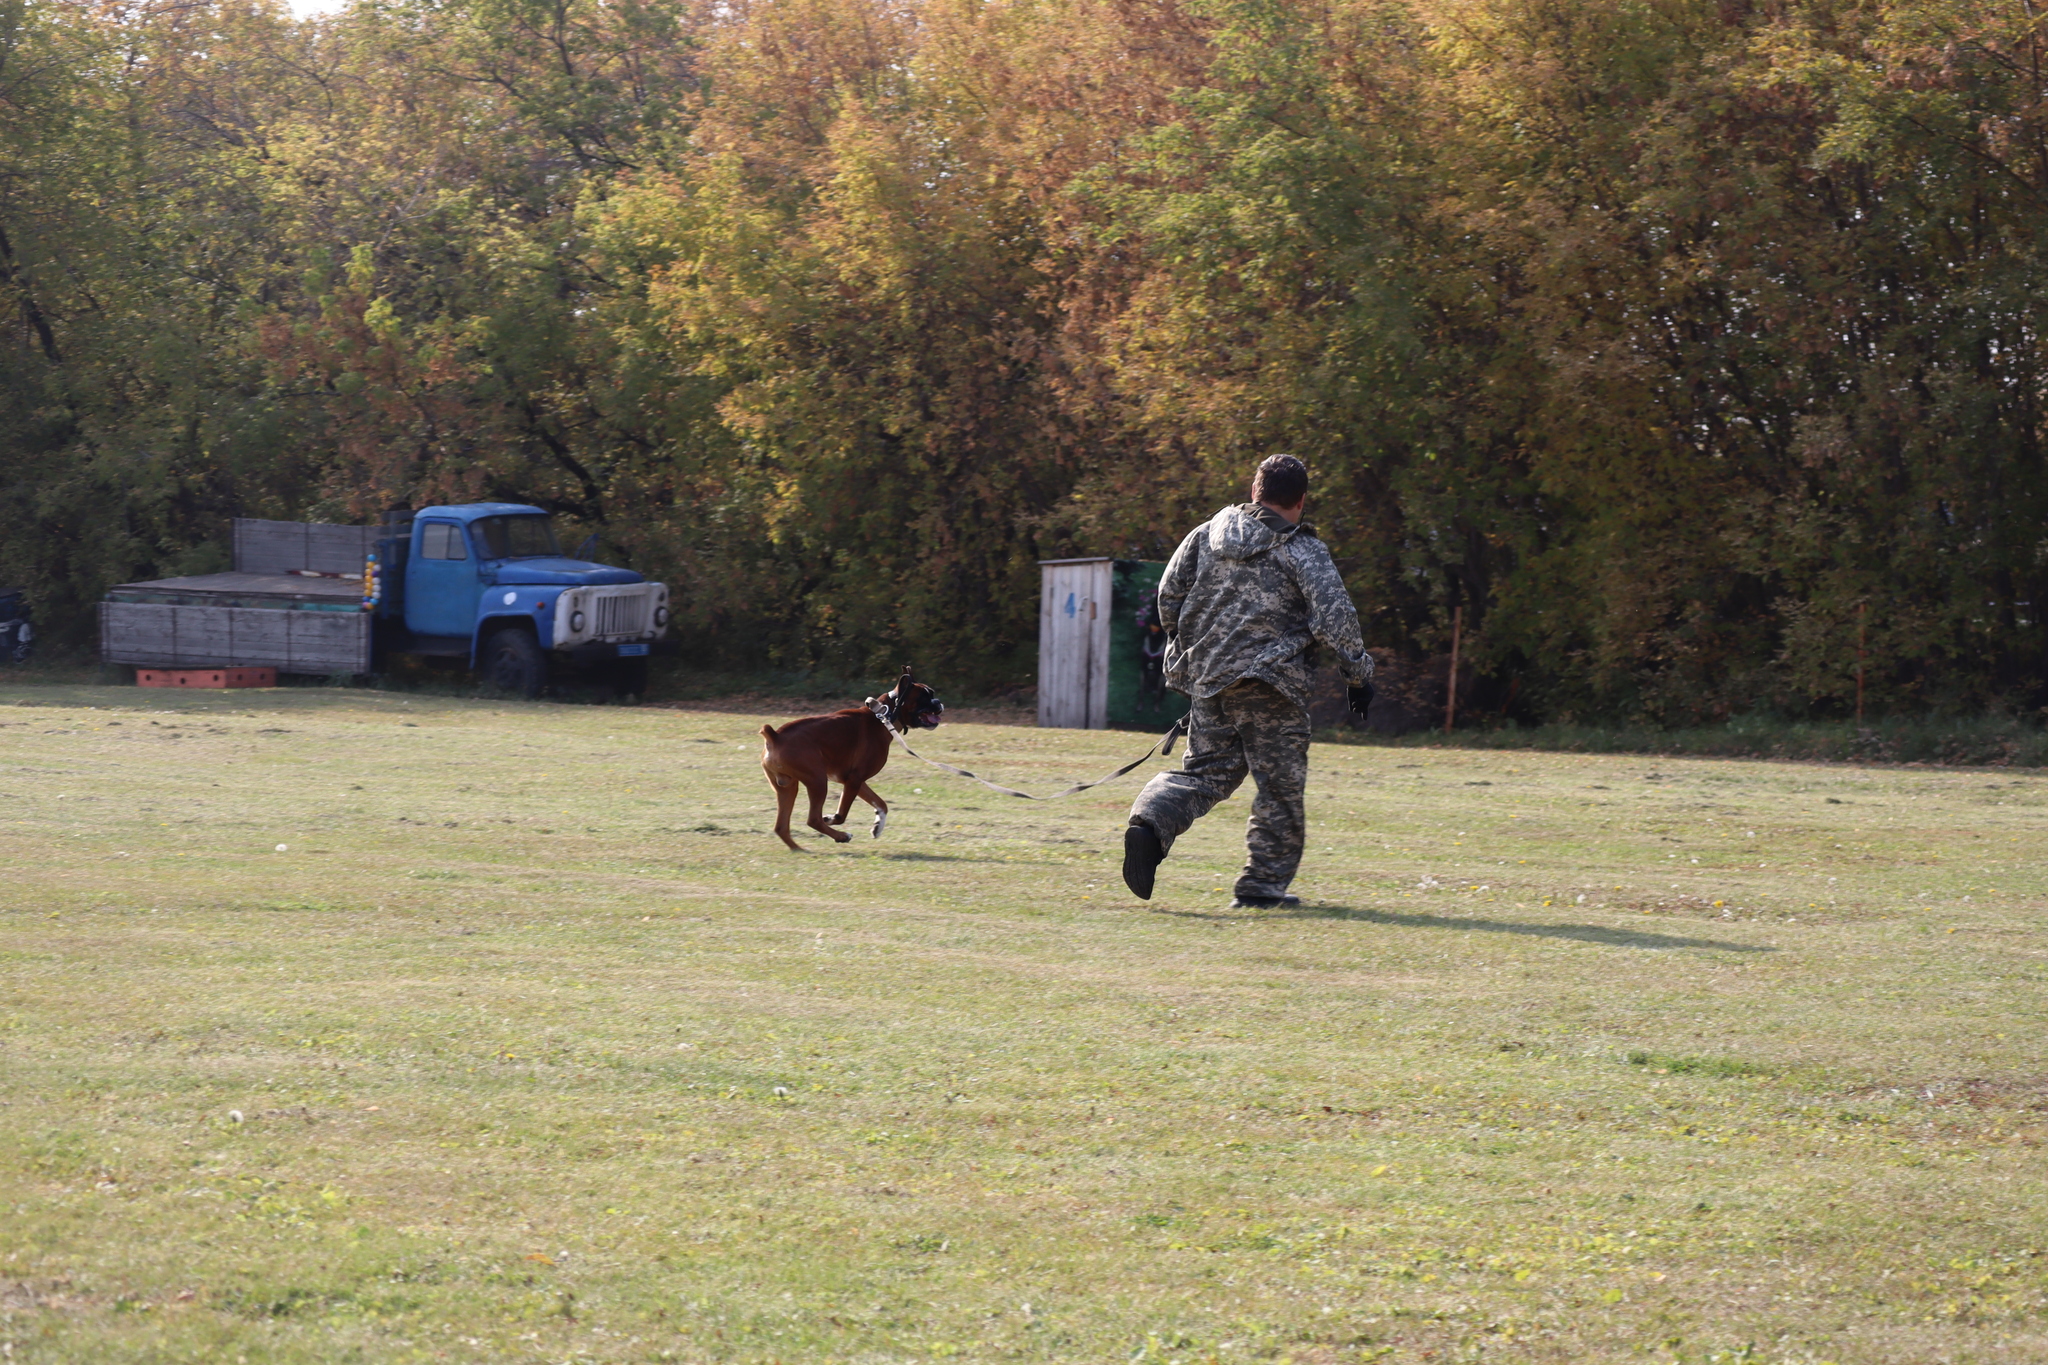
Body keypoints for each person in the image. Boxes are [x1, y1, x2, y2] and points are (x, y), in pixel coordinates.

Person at [1122, 455, 1374, 908]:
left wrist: (1196, 649)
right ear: (1299, 501)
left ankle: (1150, 821)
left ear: (1255, 491)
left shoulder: (1206, 535)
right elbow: (1335, 619)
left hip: (1211, 678)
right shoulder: (1301, 548)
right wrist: (1358, 676)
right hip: (1271, 683)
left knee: (1205, 772)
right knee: (1279, 786)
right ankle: (1262, 886)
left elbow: (1168, 597)